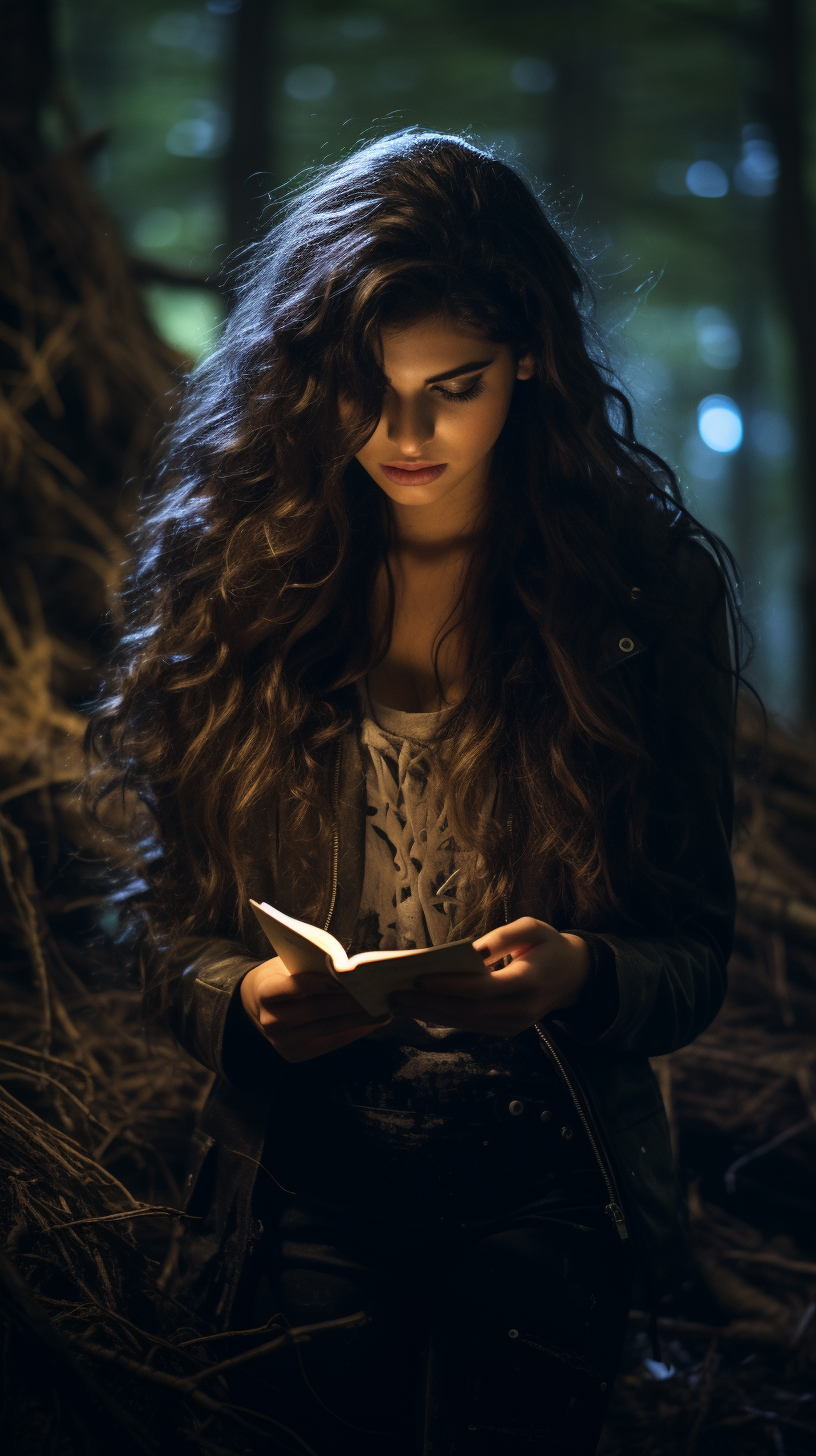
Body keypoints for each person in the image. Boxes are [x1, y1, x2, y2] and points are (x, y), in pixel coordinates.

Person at [91, 131, 739, 1455]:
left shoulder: (637, 600)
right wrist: (243, 997)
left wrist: (577, 976)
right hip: (301, 1189)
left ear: (532, 361)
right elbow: (152, 928)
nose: (404, 436)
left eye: (453, 388)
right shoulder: (238, 589)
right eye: (362, 390)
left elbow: (692, 956)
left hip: (556, 1188)